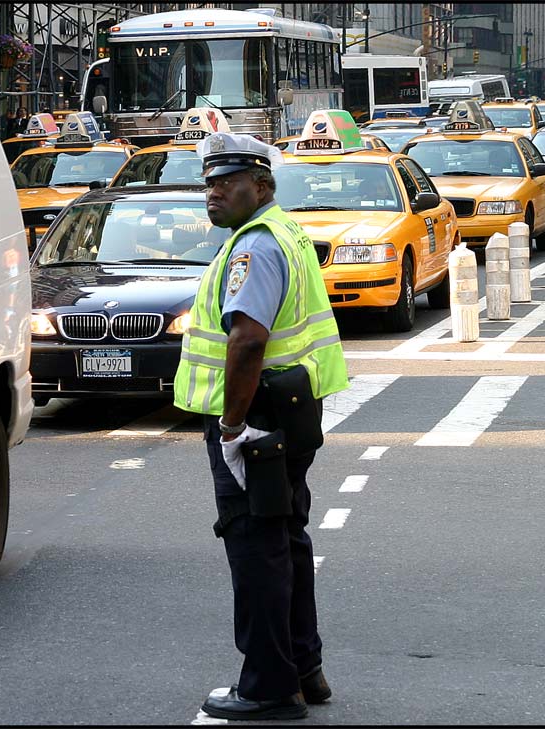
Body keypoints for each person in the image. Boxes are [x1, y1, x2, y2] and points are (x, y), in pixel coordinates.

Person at [173, 133, 349, 721]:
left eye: (227, 182)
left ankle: (269, 685)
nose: (213, 192)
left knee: (256, 549)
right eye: (209, 183)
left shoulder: (254, 247)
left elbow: (247, 341)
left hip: (256, 420)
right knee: (287, 541)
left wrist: (230, 428)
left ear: (263, 186)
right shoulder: (284, 234)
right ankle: (304, 669)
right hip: (290, 411)